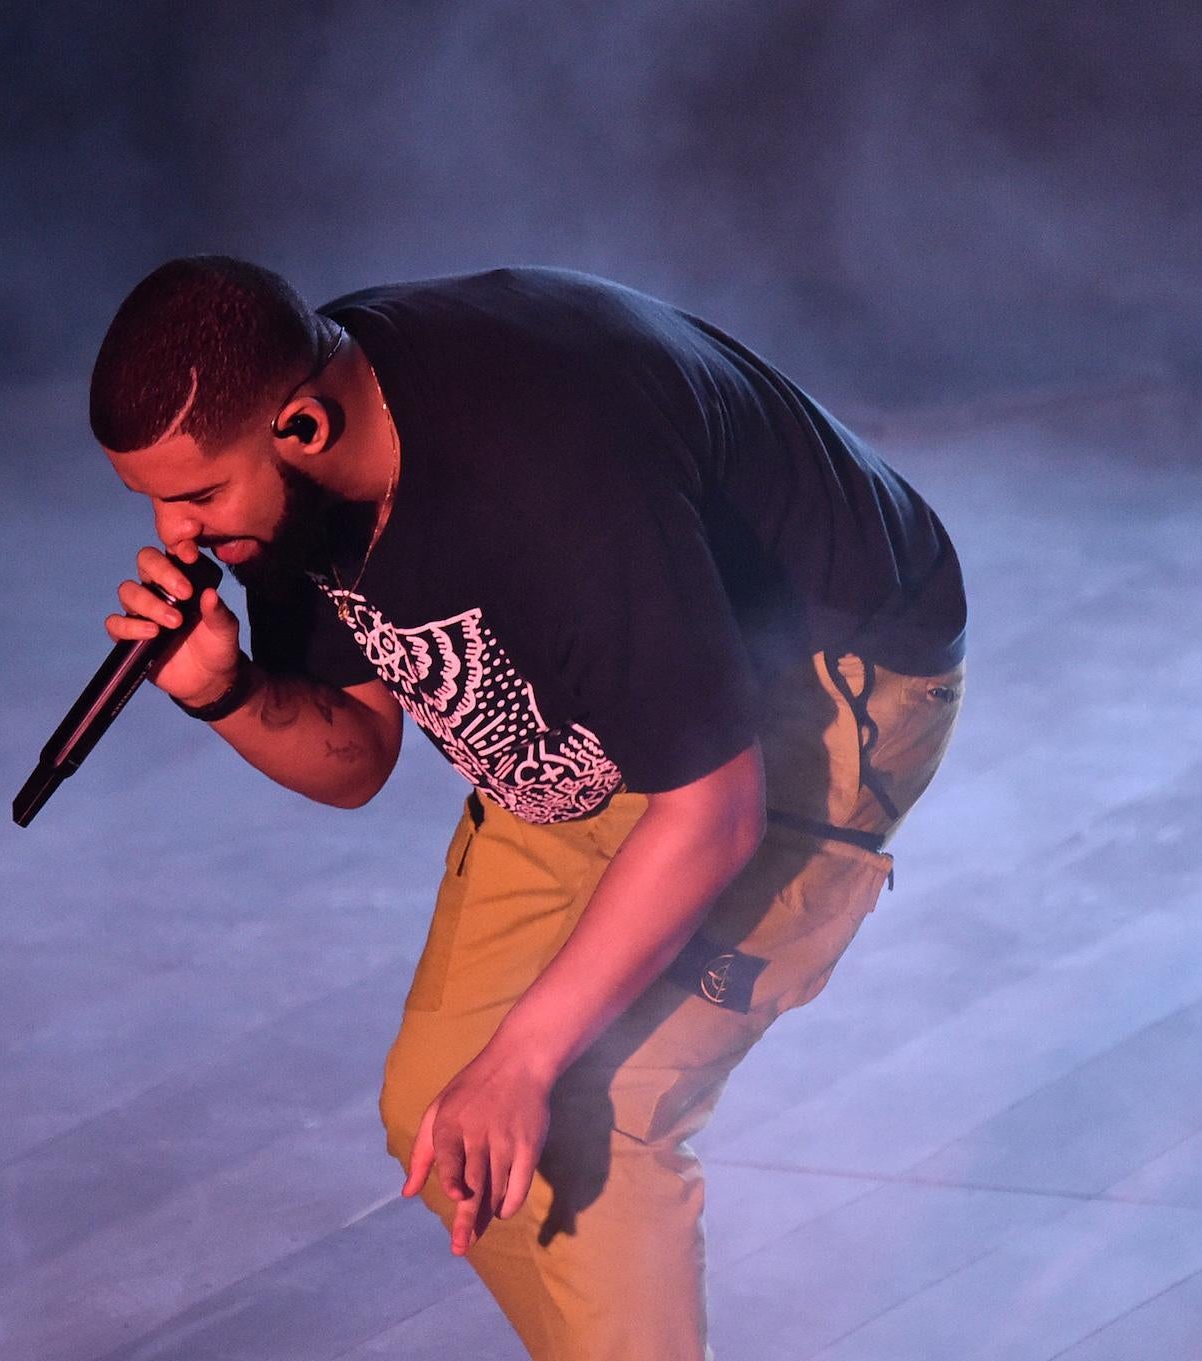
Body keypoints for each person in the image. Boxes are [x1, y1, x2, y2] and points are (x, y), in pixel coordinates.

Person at [89, 256, 966, 1361]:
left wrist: (524, 1058)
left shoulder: (550, 478)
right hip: (603, 707)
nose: (176, 535)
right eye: (156, 500)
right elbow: (355, 754)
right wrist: (224, 689)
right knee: (436, 1110)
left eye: (198, 495)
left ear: (302, 425)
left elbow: (711, 812)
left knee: (596, 1098)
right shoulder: (298, 482)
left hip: (815, 684)